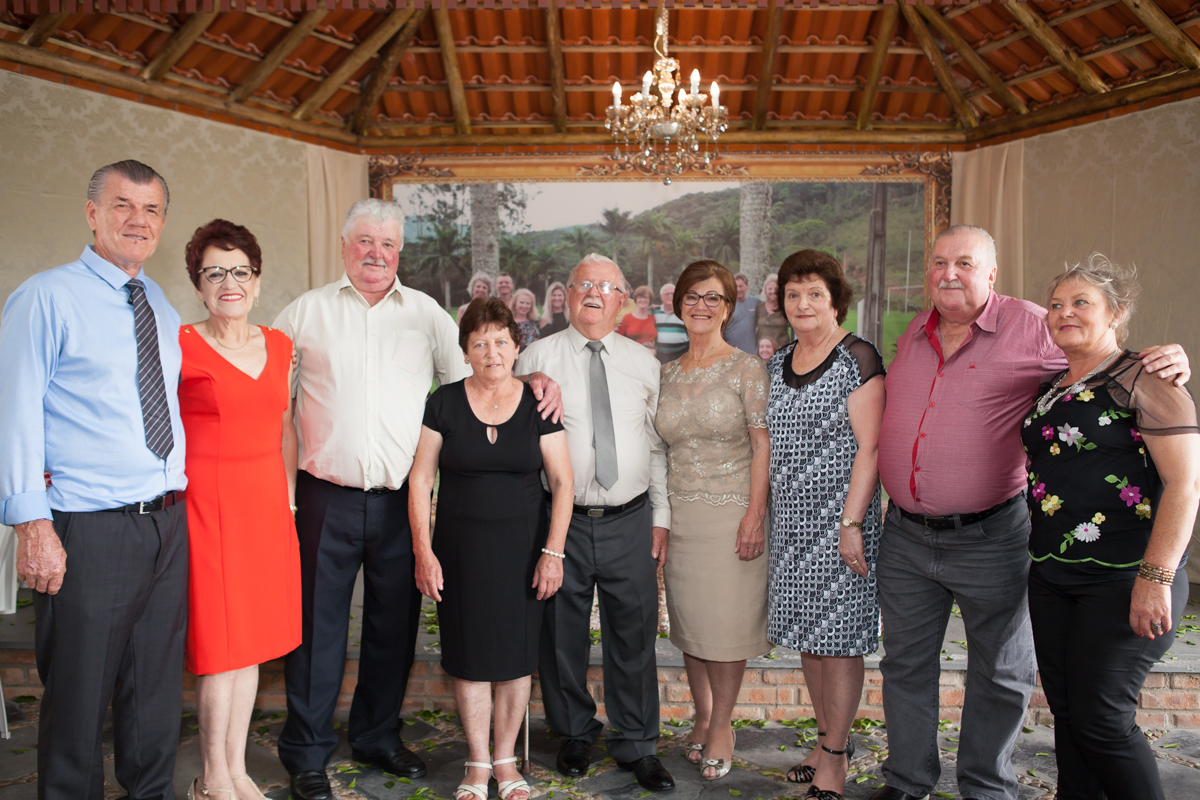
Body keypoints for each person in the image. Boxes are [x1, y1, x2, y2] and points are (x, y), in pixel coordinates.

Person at [870, 225, 1190, 800]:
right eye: (939, 262)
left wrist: (1162, 356)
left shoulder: (1033, 326)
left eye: (965, 263)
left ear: (991, 274)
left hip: (998, 536)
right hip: (915, 537)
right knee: (907, 667)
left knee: (1006, 675)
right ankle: (907, 781)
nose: (949, 274)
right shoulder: (913, 333)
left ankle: (987, 788)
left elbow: (1108, 366)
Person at [272, 198, 563, 800]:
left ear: (399, 252)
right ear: (345, 245)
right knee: (317, 629)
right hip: (325, 496)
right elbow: (275, 402)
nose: (377, 254)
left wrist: (536, 377)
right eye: (365, 243)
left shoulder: (427, 314)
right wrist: (285, 496)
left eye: (388, 245)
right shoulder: (305, 313)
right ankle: (307, 753)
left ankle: (377, 736)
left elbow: (483, 368)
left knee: (392, 627)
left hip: (401, 503)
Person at [0, 160, 188, 800]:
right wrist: (32, 524)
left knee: (156, 695)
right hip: (88, 529)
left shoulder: (158, 303)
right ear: (92, 213)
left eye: (151, 209)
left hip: (165, 521)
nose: (138, 220)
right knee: (80, 702)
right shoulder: (44, 297)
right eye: (122, 205)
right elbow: (14, 411)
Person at [1021, 257, 1198, 800]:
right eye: (1055, 304)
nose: (1064, 313)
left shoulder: (1149, 379)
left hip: (1125, 578)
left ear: (1117, 312)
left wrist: (1156, 576)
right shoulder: (1053, 383)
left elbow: (1185, 486)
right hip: (1052, 574)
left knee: (1102, 721)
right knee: (1071, 716)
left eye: (1081, 303)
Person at [518, 254, 676, 794]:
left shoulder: (644, 363)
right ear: (566, 293)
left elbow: (656, 448)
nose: (593, 293)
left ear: (623, 299)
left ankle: (636, 743)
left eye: (606, 286)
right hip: (559, 520)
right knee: (561, 636)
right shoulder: (535, 357)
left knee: (632, 633)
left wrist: (661, 517)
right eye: (584, 283)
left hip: (631, 520)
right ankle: (573, 734)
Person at [409, 298, 575, 800]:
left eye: (500, 340)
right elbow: (420, 480)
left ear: (516, 346)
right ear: (465, 352)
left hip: (524, 554)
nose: (491, 351)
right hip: (458, 553)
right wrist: (423, 550)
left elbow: (564, 482)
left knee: (516, 660)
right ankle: (477, 763)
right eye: (479, 342)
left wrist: (554, 552)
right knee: (470, 658)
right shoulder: (443, 402)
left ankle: (506, 762)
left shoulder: (538, 404)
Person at [178, 219, 302, 800]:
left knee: (250, 644)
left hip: (265, 507)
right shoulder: (178, 343)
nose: (229, 282)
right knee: (219, 647)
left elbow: (284, 428)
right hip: (206, 507)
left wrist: (289, 499)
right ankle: (211, 776)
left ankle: (237, 768)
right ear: (199, 285)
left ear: (256, 282)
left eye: (240, 271)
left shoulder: (279, 346)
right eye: (214, 271)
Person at [765, 251, 885, 800]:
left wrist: (852, 522)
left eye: (814, 292)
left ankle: (835, 758)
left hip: (842, 524)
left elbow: (871, 448)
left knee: (838, 642)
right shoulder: (778, 361)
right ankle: (823, 741)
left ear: (835, 299)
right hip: (791, 527)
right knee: (811, 642)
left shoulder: (857, 358)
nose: (803, 303)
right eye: (793, 294)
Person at [655, 260, 770, 781]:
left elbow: (762, 447)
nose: (701, 306)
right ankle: (702, 716)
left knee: (725, 630)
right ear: (677, 303)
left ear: (729, 307)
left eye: (713, 298)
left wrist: (754, 515)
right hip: (681, 518)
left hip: (731, 518)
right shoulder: (667, 371)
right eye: (692, 296)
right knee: (693, 628)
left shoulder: (747, 369)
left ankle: (722, 724)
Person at [724, 272, 761, 355]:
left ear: (747, 286)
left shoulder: (756, 302)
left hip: (750, 353)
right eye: (735, 286)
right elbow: (720, 330)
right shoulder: (727, 305)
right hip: (731, 352)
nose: (738, 289)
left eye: (741, 286)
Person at [653, 282, 688, 364]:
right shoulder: (655, 312)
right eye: (667, 294)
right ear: (661, 297)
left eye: (673, 293)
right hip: (660, 355)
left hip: (681, 354)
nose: (670, 296)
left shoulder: (684, 312)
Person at [617, 285, 658, 350]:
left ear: (650, 300)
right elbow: (619, 340)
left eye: (646, 297)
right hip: (631, 353)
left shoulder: (653, 318)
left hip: (649, 355)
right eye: (640, 297)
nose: (643, 300)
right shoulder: (627, 318)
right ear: (636, 299)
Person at [756, 273, 790, 350]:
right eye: (770, 289)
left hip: (781, 348)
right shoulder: (759, 306)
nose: (773, 291)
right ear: (765, 290)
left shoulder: (785, 307)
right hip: (763, 349)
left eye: (776, 289)